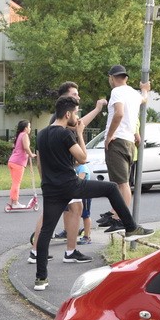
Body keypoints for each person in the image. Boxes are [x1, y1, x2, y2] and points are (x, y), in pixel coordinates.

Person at [32, 95, 152, 291]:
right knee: (112, 188)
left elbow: (42, 163)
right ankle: (130, 227)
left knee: (46, 231)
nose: (77, 117)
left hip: (51, 189)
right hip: (70, 185)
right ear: (67, 114)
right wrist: (79, 133)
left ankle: (41, 279)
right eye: (76, 113)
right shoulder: (65, 134)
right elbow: (83, 157)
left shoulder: (42, 134)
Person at [27, 81, 108, 264]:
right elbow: (81, 128)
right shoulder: (61, 120)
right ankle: (56, 252)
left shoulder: (61, 118)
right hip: (62, 178)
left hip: (59, 177)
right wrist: (97, 109)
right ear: (65, 100)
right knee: (54, 214)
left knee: (72, 209)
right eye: (74, 94)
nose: (78, 97)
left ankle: (62, 251)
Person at [101, 65, 148, 233]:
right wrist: (145, 89)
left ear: (111, 78)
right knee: (121, 182)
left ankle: (121, 218)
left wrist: (109, 136)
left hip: (118, 140)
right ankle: (115, 213)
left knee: (122, 184)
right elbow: (144, 99)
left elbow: (119, 113)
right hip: (128, 141)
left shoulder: (117, 92)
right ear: (126, 78)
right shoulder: (134, 93)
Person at [7, 120, 34, 208]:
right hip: (18, 163)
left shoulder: (19, 135)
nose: (30, 128)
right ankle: (15, 202)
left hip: (12, 161)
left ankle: (11, 201)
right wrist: (31, 154)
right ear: (25, 128)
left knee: (14, 182)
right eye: (29, 127)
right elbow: (26, 147)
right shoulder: (25, 135)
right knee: (17, 183)